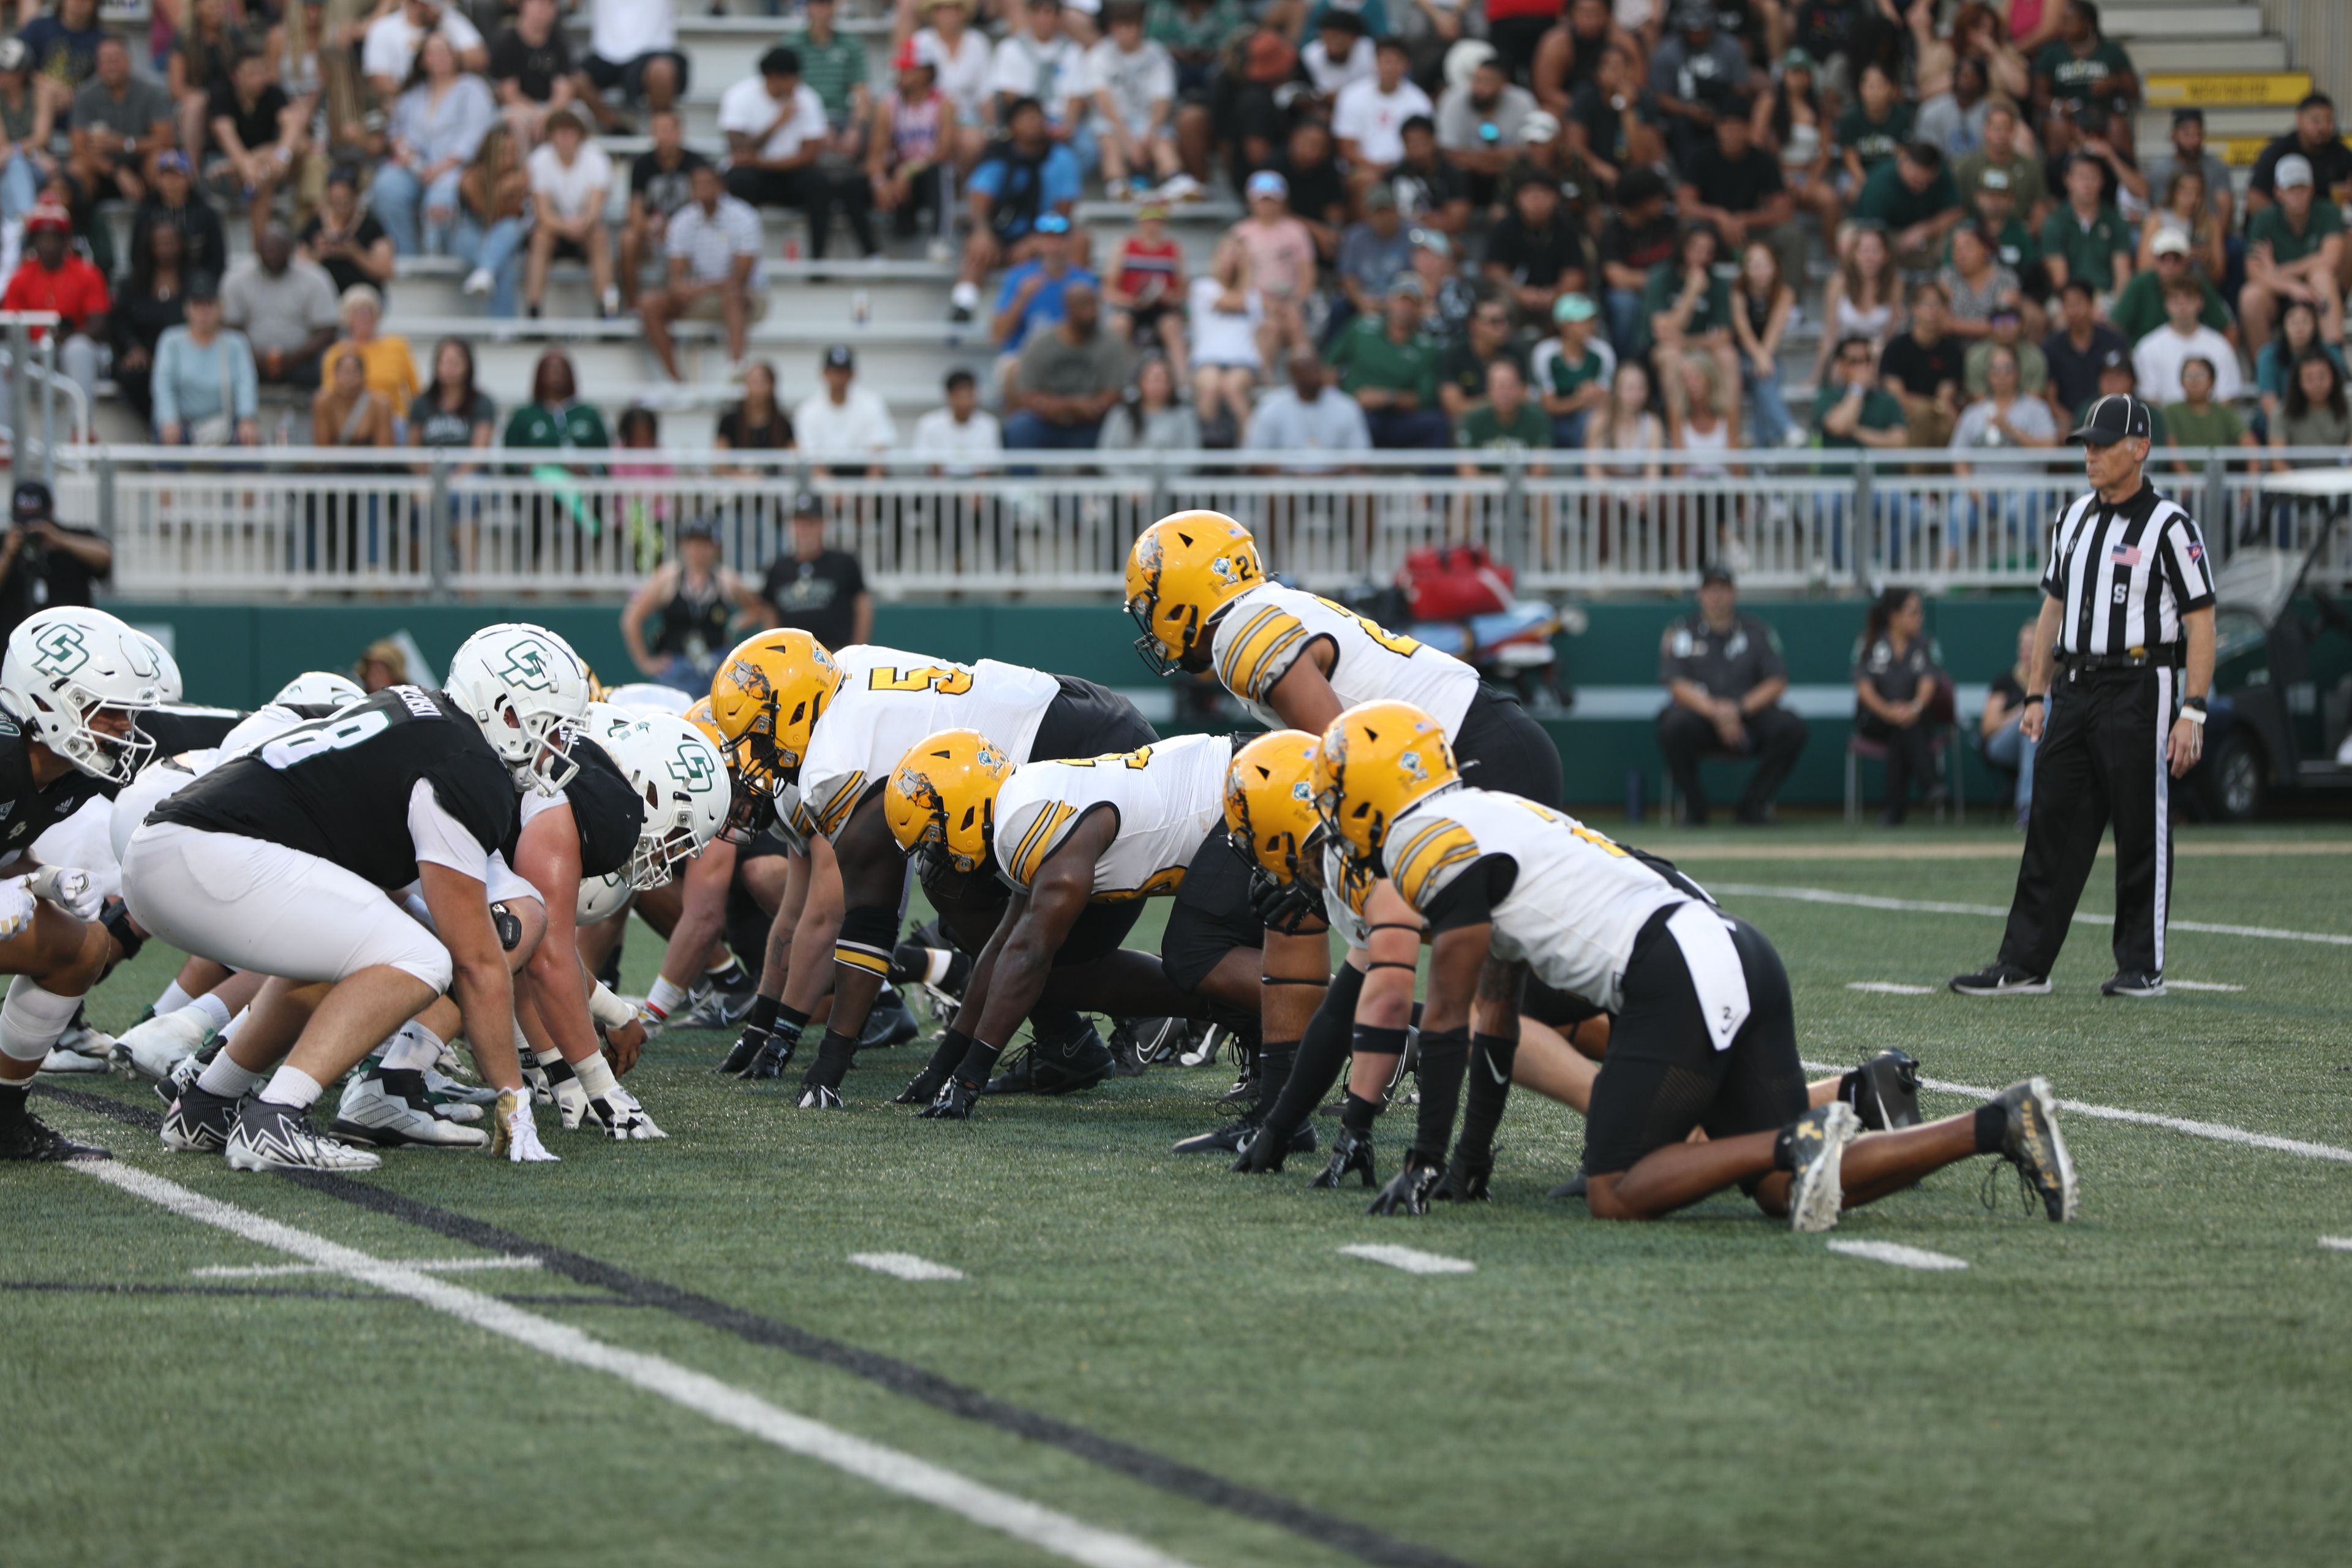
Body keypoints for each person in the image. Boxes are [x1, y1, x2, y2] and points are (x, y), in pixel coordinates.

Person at [1310, 700, 2076, 1228]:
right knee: (1782, 1195)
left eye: (1338, 793)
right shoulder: (1488, 813)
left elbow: (1445, 1019)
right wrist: (1466, 1161)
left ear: (1375, 790)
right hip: (1732, 947)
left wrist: (1419, 1162)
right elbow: (1499, 1016)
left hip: (1673, 969)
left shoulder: (1420, 841)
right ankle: (1996, 1124)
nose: (1335, 815)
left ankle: (1795, 1137)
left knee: (1615, 1189)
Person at [129, 625, 591, 1170]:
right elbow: (477, 960)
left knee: (354, 953)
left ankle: (209, 1101)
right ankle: (277, 1116)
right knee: (421, 957)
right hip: (209, 853)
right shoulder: (466, 764)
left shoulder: (417, 713)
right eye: (551, 729)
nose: (557, 747)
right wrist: (514, 1098)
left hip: (173, 848)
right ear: (506, 713)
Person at [1953, 393, 2215, 998]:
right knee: (2051, 819)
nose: (2091, 455)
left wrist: (2192, 708)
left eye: (2103, 444)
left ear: (2140, 448)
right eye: (2087, 444)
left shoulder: (2171, 525)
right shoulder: (2073, 518)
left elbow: (2201, 618)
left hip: (2140, 681)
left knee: (2139, 822)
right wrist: (2036, 692)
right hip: (2074, 683)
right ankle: (2023, 963)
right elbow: (2054, 607)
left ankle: (2140, 965)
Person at [0, 606, 167, 1162]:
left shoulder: (62, 770)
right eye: (111, 710)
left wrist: (40, 878)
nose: (125, 728)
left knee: (86, 946)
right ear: (47, 700)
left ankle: (4, 1120)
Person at [1656, 565, 1808, 826]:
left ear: (1734, 593)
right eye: (1711, 590)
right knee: (1671, 725)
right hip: (1700, 717)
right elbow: (1676, 684)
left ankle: (1753, 805)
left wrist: (1737, 709)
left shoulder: (1757, 630)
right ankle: (1695, 809)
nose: (1717, 597)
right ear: (1700, 594)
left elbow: (1777, 680)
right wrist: (1716, 712)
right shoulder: (1681, 631)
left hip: (1748, 716)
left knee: (1791, 727)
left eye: (1723, 590)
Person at [950, 97, 1084, 323]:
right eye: (1026, 118)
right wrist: (983, 232)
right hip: (1000, 232)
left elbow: (1063, 212)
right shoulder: (997, 155)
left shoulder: (1062, 158)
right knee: (977, 244)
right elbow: (980, 199)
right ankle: (964, 303)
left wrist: (1037, 239)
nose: (1033, 123)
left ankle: (1070, 304)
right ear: (1013, 126)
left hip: (1044, 231)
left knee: (1079, 241)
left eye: (1037, 117)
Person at [639, 161, 764, 382]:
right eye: (698, 184)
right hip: (703, 295)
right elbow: (675, 276)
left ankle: (736, 366)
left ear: (721, 186)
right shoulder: (683, 221)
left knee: (733, 294)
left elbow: (741, 278)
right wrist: (684, 288)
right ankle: (675, 378)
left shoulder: (744, 217)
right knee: (649, 304)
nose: (703, 189)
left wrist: (698, 288)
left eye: (709, 183)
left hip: (747, 296)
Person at [373, 32, 494, 258]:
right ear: (423, 60)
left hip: (456, 167)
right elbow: (397, 130)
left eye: (444, 51)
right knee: (386, 186)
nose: (439, 57)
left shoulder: (473, 88)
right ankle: (406, 255)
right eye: (433, 52)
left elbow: (476, 133)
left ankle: (442, 260)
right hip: (416, 167)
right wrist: (402, 149)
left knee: (441, 199)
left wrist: (444, 166)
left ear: (455, 56)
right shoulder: (413, 94)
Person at [1677, 97, 1801, 306]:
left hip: (1749, 232)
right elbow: (1684, 205)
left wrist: (1745, 219)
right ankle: (1687, 298)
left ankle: (1790, 306)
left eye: (1738, 127)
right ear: (1718, 129)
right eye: (1726, 127)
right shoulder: (1700, 156)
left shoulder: (1763, 160)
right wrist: (1719, 216)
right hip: (1711, 231)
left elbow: (1784, 210)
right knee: (1687, 228)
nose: (1732, 133)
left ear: (1748, 129)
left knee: (1792, 236)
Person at [622, 518, 765, 693]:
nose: (699, 551)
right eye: (694, 544)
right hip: (676, 666)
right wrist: (645, 663)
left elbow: (757, 609)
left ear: (715, 547)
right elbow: (631, 619)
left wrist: (735, 624)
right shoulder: (668, 579)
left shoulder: (726, 581)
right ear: (684, 546)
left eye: (705, 544)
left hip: (716, 666)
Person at [717, 48, 834, 261]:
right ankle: (739, 259)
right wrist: (777, 123)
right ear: (773, 77)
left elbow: (810, 156)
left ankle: (819, 262)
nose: (796, 84)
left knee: (820, 184)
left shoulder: (808, 99)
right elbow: (739, 149)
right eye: (791, 78)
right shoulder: (739, 95)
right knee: (738, 181)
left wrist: (760, 162)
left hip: (790, 174)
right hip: (755, 176)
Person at [1852, 587, 1943, 826]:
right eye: (1913, 612)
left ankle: (1892, 811)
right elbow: (1864, 688)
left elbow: (1928, 683)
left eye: (1921, 612)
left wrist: (1913, 707)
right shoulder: (1869, 643)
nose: (1920, 618)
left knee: (1903, 731)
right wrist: (1888, 711)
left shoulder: (1924, 645)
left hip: (1914, 718)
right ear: (1894, 617)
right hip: (1876, 718)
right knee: (1903, 728)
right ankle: (1930, 782)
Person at [2240, 153, 2343, 358]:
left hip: (2315, 289)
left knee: (2322, 276)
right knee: (2250, 297)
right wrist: (2292, 287)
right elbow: (2253, 271)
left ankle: (2335, 360)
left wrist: (2280, 270)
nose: (2297, 195)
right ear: (2278, 192)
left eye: (2302, 188)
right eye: (2291, 189)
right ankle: (2265, 367)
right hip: (2280, 293)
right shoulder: (2264, 218)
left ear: (2311, 189)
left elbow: (2331, 260)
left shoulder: (2329, 211)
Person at [1, 205, 107, 404]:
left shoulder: (87, 273)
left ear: (65, 240)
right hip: (31, 354)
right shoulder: (20, 278)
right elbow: (8, 325)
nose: (48, 244)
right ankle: (4, 434)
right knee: (3, 355)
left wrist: (67, 335)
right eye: (42, 238)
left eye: (55, 238)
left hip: (70, 349)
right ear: (34, 242)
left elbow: (98, 324)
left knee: (79, 349)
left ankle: (81, 430)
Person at [1327, 274, 1446, 450]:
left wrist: (1387, 398)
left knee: (1438, 424)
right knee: (1351, 422)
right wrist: (1339, 404)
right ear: (1389, 302)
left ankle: (1436, 478)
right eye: (1400, 301)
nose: (1404, 308)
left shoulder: (1426, 347)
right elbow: (1328, 365)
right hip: (1358, 412)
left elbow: (1425, 399)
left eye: (1411, 303)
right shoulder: (1362, 328)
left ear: (1420, 309)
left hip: (1400, 418)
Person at [1005, 281, 1128, 450]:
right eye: (1084, 306)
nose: (1092, 312)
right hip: (1046, 421)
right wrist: (1071, 406)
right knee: (1020, 428)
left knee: (1117, 426)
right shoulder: (1040, 343)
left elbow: (1114, 394)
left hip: (1093, 424)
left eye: (1094, 305)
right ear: (1068, 309)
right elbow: (1027, 395)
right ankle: (1020, 478)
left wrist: (1091, 408)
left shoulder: (1112, 344)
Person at [224, 221, 337, 393]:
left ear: (290, 249)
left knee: (326, 362)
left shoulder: (315, 277)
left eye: (279, 249)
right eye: (269, 250)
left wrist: (293, 359)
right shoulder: (237, 277)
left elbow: (327, 329)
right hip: (250, 358)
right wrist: (256, 358)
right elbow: (230, 326)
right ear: (258, 249)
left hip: (302, 360)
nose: (273, 255)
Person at [523, 105, 615, 316]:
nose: (565, 137)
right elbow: (543, 213)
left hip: (584, 229)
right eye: (560, 131)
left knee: (599, 237)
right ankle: (534, 308)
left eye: (570, 131)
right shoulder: (539, 160)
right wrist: (569, 226)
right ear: (551, 135)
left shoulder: (596, 160)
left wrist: (580, 223)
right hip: (556, 229)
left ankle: (609, 309)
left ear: (580, 135)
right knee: (541, 237)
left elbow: (595, 209)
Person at [203, 45, 298, 248]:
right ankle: (262, 249)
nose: (260, 79)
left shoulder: (274, 93)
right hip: (223, 163)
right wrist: (244, 164)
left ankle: (260, 249)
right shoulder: (221, 93)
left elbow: (291, 124)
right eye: (252, 73)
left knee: (263, 174)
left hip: (253, 167)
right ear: (235, 76)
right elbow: (224, 133)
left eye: (262, 72)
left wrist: (281, 155)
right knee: (261, 173)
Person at [1086, 1, 1182, 198]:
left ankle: (1174, 178)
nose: (1125, 32)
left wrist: (1149, 135)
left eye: (1130, 25)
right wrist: (1128, 139)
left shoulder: (1157, 54)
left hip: (1148, 120)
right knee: (1108, 137)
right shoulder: (1099, 55)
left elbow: (1162, 101)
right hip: (1115, 122)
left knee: (1162, 138)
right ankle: (1117, 183)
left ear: (1140, 26)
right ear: (1112, 28)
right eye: (1119, 26)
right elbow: (1104, 102)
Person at [148, 270, 255, 446]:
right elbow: (163, 385)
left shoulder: (236, 343)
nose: (203, 312)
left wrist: (247, 418)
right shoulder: (171, 341)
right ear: (186, 309)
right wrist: (169, 420)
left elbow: (246, 382)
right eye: (197, 305)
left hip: (225, 424)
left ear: (221, 308)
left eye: (210, 304)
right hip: (182, 424)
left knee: (250, 440)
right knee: (166, 439)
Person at [67, 34, 173, 208]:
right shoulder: (85, 95)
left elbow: (165, 141)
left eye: (116, 59)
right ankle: (82, 226)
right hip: (103, 170)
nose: (111, 66)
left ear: (128, 60)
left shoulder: (151, 92)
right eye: (106, 60)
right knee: (76, 169)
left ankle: (160, 219)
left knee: (162, 160)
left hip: (141, 166)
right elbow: (79, 149)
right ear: (98, 64)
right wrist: (116, 171)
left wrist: (125, 144)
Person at [1483, 169, 1590, 331]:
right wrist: (1520, 292)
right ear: (1518, 198)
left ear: (1555, 198)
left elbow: (1575, 274)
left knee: (1574, 308)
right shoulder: (1504, 228)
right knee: (1499, 307)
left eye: (1544, 194)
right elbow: (1494, 271)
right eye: (1529, 194)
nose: (1536, 200)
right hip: (1516, 294)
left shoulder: (1568, 230)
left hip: (1556, 295)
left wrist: (1555, 293)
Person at [617, 108, 703, 310]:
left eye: (668, 130)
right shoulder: (642, 165)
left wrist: (676, 229)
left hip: (690, 232)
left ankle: (688, 305)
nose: (663, 136)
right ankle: (633, 306)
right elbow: (635, 208)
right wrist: (649, 228)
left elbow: (702, 206)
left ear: (680, 132)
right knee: (628, 240)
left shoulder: (697, 163)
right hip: (652, 233)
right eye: (658, 130)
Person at [990, 0, 1091, 170]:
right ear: (1029, 15)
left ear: (1059, 18)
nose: (1043, 18)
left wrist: (1068, 125)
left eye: (1049, 12)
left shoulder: (1073, 50)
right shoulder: (1010, 48)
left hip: (1060, 120)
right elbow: (1010, 97)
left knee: (1088, 149)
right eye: (1037, 11)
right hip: (1024, 120)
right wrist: (1036, 125)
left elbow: (1077, 95)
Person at [0, 480, 109, 638]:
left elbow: (105, 556)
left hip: (72, 643)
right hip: (13, 646)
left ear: (51, 510)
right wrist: (7, 555)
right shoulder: (6, 542)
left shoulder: (67, 537)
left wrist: (61, 540)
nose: (32, 528)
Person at [869, 45, 951, 245]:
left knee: (939, 172)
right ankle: (873, 253)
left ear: (925, 73)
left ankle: (940, 241)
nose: (900, 75)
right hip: (900, 176)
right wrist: (880, 184)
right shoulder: (888, 106)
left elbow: (944, 151)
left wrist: (909, 170)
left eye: (907, 70)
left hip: (924, 172)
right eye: (900, 70)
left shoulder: (943, 104)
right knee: (853, 187)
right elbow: (876, 154)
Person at [992, 209, 1097, 361]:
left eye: (1058, 238)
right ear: (1036, 241)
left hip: (1072, 356)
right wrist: (1022, 298)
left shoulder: (1084, 281)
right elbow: (997, 335)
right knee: (1012, 369)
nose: (1053, 245)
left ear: (1068, 242)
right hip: (1024, 356)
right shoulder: (1017, 277)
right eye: (1046, 238)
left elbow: (1096, 332)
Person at [1434, 48, 1532, 206]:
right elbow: (1448, 152)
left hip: (1508, 173)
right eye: (1476, 80)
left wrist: (1476, 158)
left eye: (1487, 82)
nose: (1478, 88)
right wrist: (1496, 159)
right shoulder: (1453, 100)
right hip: (1468, 174)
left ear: (1503, 84)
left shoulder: (1523, 102)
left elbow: (1527, 151)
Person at [1186, 240, 1261, 447]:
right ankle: (1210, 449)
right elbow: (1233, 303)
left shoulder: (1253, 295)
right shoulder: (1203, 287)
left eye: (1236, 257)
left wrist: (1246, 271)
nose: (1231, 261)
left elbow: (1256, 321)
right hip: (1207, 359)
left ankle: (1250, 452)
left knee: (1233, 387)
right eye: (1227, 255)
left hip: (1243, 360)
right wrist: (1247, 272)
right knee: (1210, 386)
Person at [109, 220, 184, 423]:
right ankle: (156, 424)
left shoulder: (192, 282)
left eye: (171, 242)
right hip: (143, 356)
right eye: (160, 243)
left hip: (185, 356)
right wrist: (132, 347)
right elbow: (118, 323)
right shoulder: (133, 284)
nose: (165, 248)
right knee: (132, 373)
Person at [451, 122, 529, 315]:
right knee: (498, 260)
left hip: (505, 240)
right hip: (471, 235)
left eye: (514, 152)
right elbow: (484, 213)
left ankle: (485, 272)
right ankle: (503, 328)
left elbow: (520, 218)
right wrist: (502, 191)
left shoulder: (522, 176)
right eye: (504, 152)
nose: (510, 159)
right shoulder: (471, 177)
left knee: (510, 229)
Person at [2109, 226, 2231, 349]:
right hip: (2146, 360)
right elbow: (2116, 327)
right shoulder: (2139, 284)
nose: (2170, 265)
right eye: (2163, 258)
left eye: (2177, 258)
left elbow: (2228, 328)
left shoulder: (2198, 285)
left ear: (2187, 261)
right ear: (2154, 260)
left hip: (2192, 358)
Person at [1245, 345, 1371, 463]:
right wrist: (1294, 479)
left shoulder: (1346, 406)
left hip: (1337, 484)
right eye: (1305, 369)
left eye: (1315, 367)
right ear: (1292, 374)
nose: (1313, 374)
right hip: (1283, 485)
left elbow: (1359, 457)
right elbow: (1256, 459)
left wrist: (1326, 479)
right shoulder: (1270, 407)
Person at [1849, 140, 1962, 271]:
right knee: (1854, 241)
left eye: (1928, 183)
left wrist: (1925, 229)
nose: (1923, 188)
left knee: (1959, 237)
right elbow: (1870, 230)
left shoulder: (1942, 173)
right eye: (1917, 181)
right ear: (1905, 163)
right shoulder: (1878, 184)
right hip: (1886, 235)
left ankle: (1944, 285)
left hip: (1927, 236)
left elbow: (1956, 212)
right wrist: (1893, 243)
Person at [1333, 37, 1432, 184]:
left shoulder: (1420, 102)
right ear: (1375, 62)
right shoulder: (1351, 95)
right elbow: (1347, 147)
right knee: (1364, 180)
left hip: (1407, 169)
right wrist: (1374, 167)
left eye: (1396, 61)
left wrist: (1395, 169)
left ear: (1407, 65)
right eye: (1385, 61)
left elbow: (1424, 145)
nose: (1389, 67)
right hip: (1362, 169)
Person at [2133, 279, 2241, 409]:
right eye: (2175, 300)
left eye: (2189, 299)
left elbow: (2227, 398)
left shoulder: (2220, 346)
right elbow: (2149, 399)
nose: (2182, 306)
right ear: (2166, 304)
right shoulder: (2148, 347)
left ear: (2200, 303)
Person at [2040, 151, 2132, 301]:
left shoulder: (2116, 220)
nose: (2088, 184)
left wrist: (2116, 307)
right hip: (2068, 300)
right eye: (2082, 177)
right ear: (2068, 180)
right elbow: (2059, 280)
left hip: (2108, 297)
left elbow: (2123, 277)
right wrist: (2082, 308)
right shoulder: (2054, 222)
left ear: (2102, 181)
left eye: (2093, 177)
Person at [578, 0, 685, 128]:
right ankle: (618, 128)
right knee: (572, 79)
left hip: (653, 51)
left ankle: (661, 131)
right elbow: (571, 6)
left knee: (662, 72)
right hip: (606, 53)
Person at [1814, 224, 1901, 381]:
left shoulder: (1894, 284)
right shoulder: (1838, 282)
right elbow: (1830, 333)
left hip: (1878, 356)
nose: (1869, 257)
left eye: (1875, 251)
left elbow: (1892, 333)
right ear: (1853, 255)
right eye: (1863, 251)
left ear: (1886, 255)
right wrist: (1817, 375)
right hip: (1845, 356)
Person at [2247, 92, 2352, 219]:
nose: (2322, 127)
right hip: (2280, 231)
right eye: (2316, 120)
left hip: (2326, 229)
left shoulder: (2342, 153)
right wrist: (2284, 227)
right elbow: (2255, 200)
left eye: (2329, 120)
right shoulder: (2277, 151)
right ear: (2299, 119)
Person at [318, 284, 418, 418]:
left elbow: (415, 390)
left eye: (368, 312)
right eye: (357, 313)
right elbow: (329, 395)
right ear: (347, 318)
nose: (363, 318)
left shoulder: (398, 345)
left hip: (393, 419)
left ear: (377, 315)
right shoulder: (336, 353)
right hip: (353, 422)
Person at [487, 0, 576, 148]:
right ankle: (521, 171)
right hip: (520, 107)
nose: (544, 9)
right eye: (539, 3)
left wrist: (548, 115)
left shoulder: (560, 39)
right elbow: (509, 93)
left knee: (575, 120)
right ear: (523, 6)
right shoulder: (506, 41)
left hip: (551, 107)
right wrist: (537, 115)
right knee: (516, 123)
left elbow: (564, 90)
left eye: (550, 4)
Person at [794, 345, 898, 470]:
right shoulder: (808, 410)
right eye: (834, 372)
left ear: (852, 375)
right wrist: (831, 489)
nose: (839, 379)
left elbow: (879, 450)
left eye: (843, 372)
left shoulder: (872, 403)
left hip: (862, 472)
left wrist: (869, 489)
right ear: (825, 374)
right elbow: (812, 460)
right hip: (826, 476)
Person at [361, 0, 488, 102]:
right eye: (435, 5)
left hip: (454, 99)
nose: (439, 10)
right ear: (417, 4)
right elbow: (381, 82)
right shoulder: (382, 30)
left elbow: (480, 59)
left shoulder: (450, 19)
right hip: (406, 104)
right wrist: (420, 98)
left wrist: (444, 59)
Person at [299, 165, 394, 300]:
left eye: (345, 201)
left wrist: (355, 253)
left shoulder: (372, 225)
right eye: (335, 200)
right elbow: (299, 266)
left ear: (356, 196)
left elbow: (386, 271)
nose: (340, 206)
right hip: (324, 296)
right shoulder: (315, 224)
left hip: (362, 297)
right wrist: (319, 253)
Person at [1981, 617, 2042, 827]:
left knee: (2045, 711)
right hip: (2004, 744)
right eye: (2022, 646)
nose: (2026, 652)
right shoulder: (2006, 679)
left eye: (2032, 646)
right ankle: (2027, 806)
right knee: (2031, 726)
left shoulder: (2056, 679)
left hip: (2047, 741)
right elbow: (1988, 727)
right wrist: (2026, 709)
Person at [1533, 291, 1613, 449]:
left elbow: (1605, 400)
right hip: (1550, 423)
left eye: (1591, 320)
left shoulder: (1603, 352)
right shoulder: (1545, 354)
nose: (1590, 325)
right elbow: (1548, 406)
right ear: (1564, 325)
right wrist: (1581, 399)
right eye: (1582, 321)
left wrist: (1569, 402)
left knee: (1591, 422)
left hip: (1586, 421)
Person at [2031, 0, 2136, 118]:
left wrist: (2113, 83)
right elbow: (2038, 96)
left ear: (2088, 23)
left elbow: (2134, 92)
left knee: (2117, 125)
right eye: (2063, 21)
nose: (2063, 27)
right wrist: (2058, 105)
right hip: (2066, 115)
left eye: (2069, 22)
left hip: (2104, 111)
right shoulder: (2050, 53)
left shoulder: (2112, 51)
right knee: (2058, 128)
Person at [2253, 298, 2343, 429]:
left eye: (2305, 321)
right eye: (2293, 322)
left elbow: (2338, 397)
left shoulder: (2331, 354)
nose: (2299, 328)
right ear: (2283, 325)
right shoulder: (2268, 356)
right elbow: (2269, 404)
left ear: (2315, 324)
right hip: (2284, 422)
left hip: (2324, 417)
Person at [2044, 277, 2127, 418]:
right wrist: (2074, 423)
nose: (2074, 311)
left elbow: (2125, 385)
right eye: (2068, 305)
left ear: (2091, 304)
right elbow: (2050, 398)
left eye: (2078, 303)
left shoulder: (2114, 342)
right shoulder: (2052, 347)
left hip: (2110, 417)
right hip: (2068, 424)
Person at [1438, 297, 1528, 424]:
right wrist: (1501, 399)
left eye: (1505, 320)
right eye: (1494, 321)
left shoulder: (1516, 351)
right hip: (1468, 423)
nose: (1503, 326)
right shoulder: (1454, 355)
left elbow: (1524, 396)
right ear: (1473, 324)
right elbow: (1454, 407)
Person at [2160, 356, 2255, 474]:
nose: (2195, 381)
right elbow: (2171, 447)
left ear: (2212, 381)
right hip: (2181, 486)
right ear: (2181, 382)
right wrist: (2187, 479)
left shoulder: (2224, 412)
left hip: (2219, 482)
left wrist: (2251, 484)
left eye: (2200, 375)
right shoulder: (2171, 411)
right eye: (2189, 376)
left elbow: (2249, 442)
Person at [502, 347, 608, 449]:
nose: (556, 374)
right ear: (540, 375)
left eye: (562, 370)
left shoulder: (589, 414)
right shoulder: (523, 415)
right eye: (550, 370)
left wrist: (586, 466)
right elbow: (509, 459)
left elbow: (605, 455)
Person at [407, 336, 496, 454]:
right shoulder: (421, 403)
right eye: (444, 361)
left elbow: (480, 452)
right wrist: (425, 472)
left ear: (468, 365)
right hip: (430, 470)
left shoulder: (482, 403)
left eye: (455, 362)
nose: (449, 368)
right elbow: (412, 451)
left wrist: (459, 473)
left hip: (470, 471)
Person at [1834, 61, 1912, 195]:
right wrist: (1866, 183)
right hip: (1858, 174)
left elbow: (1903, 156)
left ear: (1892, 89)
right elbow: (1849, 156)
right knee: (1854, 193)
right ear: (1861, 89)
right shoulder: (1851, 118)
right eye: (1870, 86)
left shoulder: (1902, 117)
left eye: (1880, 86)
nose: (1875, 92)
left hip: (1892, 175)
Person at [2138, 165, 2224, 285]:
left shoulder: (2211, 224)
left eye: (2197, 192)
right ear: (2173, 192)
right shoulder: (2157, 219)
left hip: (2199, 288)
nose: (2191, 198)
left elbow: (2219, 275)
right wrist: (2177, 259)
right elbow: (2143, 268)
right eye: (2185, 192)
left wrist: (2208, 260)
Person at [1098, 354, 1199, 452]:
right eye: (1153, 379)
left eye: (1164, 379)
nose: (1158, 385)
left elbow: (1189, 456)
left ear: (1172, 384)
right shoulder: (1120, 415)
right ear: (1140, 381)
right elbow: (1107, 453)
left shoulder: (1184, 416)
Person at [1586, 360, 1667, 478]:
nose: (1636, 394)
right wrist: (1610, 494)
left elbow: (1653, 472)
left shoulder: (1652, 424)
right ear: (1617, 390)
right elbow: (1592, 469)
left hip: (1642, 494)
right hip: (1605, 494)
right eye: (1630, 388)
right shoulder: (1600, 421)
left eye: (1641, 388)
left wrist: (1643, 494)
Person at [911, 369, 1003, 473]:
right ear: (949, 396)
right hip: (938, 487)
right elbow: (928, 466)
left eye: (969, 395)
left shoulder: (989, 424)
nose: (965, 402)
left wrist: (977, 487)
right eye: (960, 396)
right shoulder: (928, 424)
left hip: (978, 487)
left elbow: (987, 469)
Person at [1939, 222, 2019, 341]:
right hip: (1953, 345)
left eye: (1967, 247)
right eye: (1956, 248)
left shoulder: (2005, 278)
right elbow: (1941, 320)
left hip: (1994, 347)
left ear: (1985, 249)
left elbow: (2003, 324)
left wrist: (1953, 326)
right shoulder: (1947, 276)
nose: (1961, 254)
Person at [311, 341, 394, 450]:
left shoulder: (380, 404)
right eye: (345, 372)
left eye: (355, 372)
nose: (349, 379)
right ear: (335, 375)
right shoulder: (323, 402)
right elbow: (322, 449)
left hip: (370, 465)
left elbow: (384, 451)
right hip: (335, 465)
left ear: (364, 375)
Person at [2273, 348, 2352, 458]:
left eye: (2322, 377)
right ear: (2298, 382)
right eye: (2309, 379)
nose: (2317, 384)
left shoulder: (2349, 406)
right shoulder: (2282, 412)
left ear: (2334, 377)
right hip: (2298, 473)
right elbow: (2277, 460)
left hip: (2341, 472)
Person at [1962, 305, 2049, 401]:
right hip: (1987, 414)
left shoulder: (2035, 357)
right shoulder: (1976, 357)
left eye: (2011, 320)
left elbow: (2034, 401)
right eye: (1998, 321)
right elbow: (1979, 400)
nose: (2005, 326)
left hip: (2027, 414)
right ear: (1990, 326)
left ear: (2022, 325)